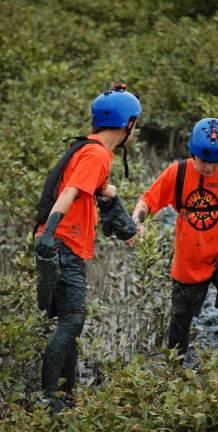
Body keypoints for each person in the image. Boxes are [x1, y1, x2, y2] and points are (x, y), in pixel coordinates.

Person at [34, 83, 142, 411]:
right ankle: (50, 397)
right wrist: (50, 234)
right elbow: (69, 192)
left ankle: (67, 395)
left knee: (70, 317)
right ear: (128, 124)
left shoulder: (90, 149)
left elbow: (103, 191)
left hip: (63, 243)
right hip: (62, 243)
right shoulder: (96, 154)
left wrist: (127, 228)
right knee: (73, 320)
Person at [132, 117, 218, 360]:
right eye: (204, 161)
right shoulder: (178, 173)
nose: (208, 167)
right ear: (193, 152)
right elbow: (147, 200)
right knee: (180, 317)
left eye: (215, 162)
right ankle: (173, 371)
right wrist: (137, 222)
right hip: (189, 258)